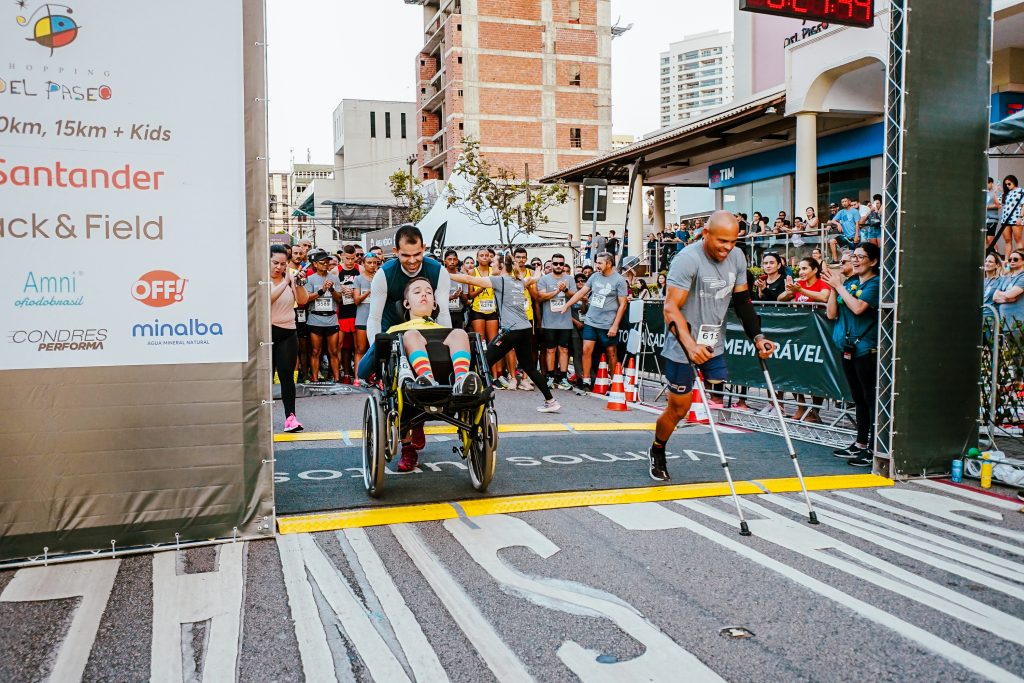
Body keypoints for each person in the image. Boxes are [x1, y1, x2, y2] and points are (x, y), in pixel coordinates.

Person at [649, 211, 776, 481]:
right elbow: (670, 308)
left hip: (712, 342)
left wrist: (758, 337)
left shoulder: (737, 257)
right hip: (683, 343)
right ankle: (658, 448)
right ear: (705, 233)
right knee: (679, 409)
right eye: (722, 241)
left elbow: (742, 301)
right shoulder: (688, 259)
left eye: (733, 241)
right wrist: (690, 345)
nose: (727, 248)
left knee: (718, 383)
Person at [384, 276, 484, 472]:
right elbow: (369, 365)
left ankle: (462, 380)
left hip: (448, 380)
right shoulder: (395, 329)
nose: (424, 295)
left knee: (461, 333)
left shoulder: (445, 330)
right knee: (411, 334)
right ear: (406, 303)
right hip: (410, 384)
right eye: (418, 291)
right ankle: (425, 382)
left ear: (435, 303)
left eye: (429, 292)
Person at [451, 254, 562, 413]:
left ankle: (471, 400)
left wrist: (445, 273)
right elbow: (535, 278)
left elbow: (470, 280)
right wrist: (538, 270)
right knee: (529, 368)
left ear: (502, 266)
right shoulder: (519, 281)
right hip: (524, 330)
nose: (491, 264)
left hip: (511, 330)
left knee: (483, 361)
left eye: (494, 262)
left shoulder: (499, 280)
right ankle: (551, 401)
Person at [822, 242, 881, 468]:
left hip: (866, 349)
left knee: (869, 399)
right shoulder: (851, 282)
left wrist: (840, 286)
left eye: (861, 257)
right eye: (853, 256)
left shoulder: (875, 284)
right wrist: (835, 287)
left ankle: (874, 448)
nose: (855, 260)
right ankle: (860, 442)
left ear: (873, 261)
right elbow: (831, 313)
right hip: (847, 347)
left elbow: (858, 308)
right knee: (857, 398)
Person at [559, 252, 628, 391]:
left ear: (609, 263)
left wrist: (615, 325)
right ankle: (586, 381)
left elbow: (623, 304)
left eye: (600, 263)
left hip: (608, 323)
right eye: (596, 262)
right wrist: (567, 305)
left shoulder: (619, 280)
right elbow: (581, 293)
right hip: (591, 321)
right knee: (586, 350)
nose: (597, 265)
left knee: (611, 352)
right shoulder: (594, 276)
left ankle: (615, 382)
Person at [779, 256, 830, 422]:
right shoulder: (799, 284)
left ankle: (815, 412)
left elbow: (824, 297)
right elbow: (780, 299)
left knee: (815, 372)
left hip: (817, 335)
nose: (801, 272)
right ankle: (801, 407)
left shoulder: (822, 283)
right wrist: (790, 290)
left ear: (815, 270)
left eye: (805, 268)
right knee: (793, 369)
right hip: (798, 334)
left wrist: (800, 291)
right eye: (799, 269)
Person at [270, 245, 310, 432]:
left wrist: (298, 283)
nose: (279, 267)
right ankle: (260, 418)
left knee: (287, 377)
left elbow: (302, 301)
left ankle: (290, 417)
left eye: (283, 264)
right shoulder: (260, 277)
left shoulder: (290, 276)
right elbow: (266, 299)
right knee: (264, 378)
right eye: (275, 263)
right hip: (265, 334)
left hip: (287, 332)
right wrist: (286, 282)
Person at [535, 253, 577, 390]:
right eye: (556, 263)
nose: (558, 266)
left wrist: (565, 290)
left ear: (564, 265)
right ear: (551, 264)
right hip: (549, 321)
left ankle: (564, 377)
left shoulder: (569, 279)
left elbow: (575, 296)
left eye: (561, 264)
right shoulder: (545, 279)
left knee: (564, 349)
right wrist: (555, 291)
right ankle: (550, 376)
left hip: (565, 321)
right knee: (550, 350)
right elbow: (540, 297)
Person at [467, 247, 505, 385]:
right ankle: (483, 374)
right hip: (477, 310)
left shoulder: (494, 272)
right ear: (477, 258)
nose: (484, 257)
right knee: (480, 342)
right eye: (481, 255)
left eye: (487, 255)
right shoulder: (472, 271)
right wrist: (482, 286)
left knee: (493, 342)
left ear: (490, 258)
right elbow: (470, 295)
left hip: (492, 310)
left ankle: (495, 376)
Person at [304, 249, 342, 383]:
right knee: (315, 351)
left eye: (327, 262)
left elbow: (339, 299)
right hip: (315, 319)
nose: (326, 264)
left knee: (333, 351)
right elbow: (307, 298)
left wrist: (331, 289)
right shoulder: (309, 279)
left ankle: (337, 379)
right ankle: (314, 379)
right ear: (314, 264)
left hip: (331, 319)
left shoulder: (334, 278)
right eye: (322, 262)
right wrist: (322, 290)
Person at [352, 250, 381, 387]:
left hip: (377, 318)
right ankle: (358, 377)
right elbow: (356, 300)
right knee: (360, 349)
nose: (372, 265)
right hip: (362, 318)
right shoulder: (358, 279)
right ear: (363, 264)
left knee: (376, 349)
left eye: (375, 263)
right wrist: (370, 290)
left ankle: (376, 377)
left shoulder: (380, 277)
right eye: (369, 263)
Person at [337, 245, 361, 383]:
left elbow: (368, 285)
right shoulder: (336, 270)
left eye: (353, 258)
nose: (351, 261)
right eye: (348, 258)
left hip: (357, 312)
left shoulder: (360, 269)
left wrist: (356, 291)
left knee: (358, 347)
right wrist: (340, 288)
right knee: (342, 347)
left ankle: (358, 376)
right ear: (342, 256)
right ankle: (343, 374)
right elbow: (330, 286)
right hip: (342, 313)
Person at [994, 249, 1024, 325]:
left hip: (1018, 323)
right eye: (1010, 259)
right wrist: (1010, 299)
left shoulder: (1022, 277)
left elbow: (1010, 295)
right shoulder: (1007, 277)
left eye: (1015, 259)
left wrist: (1002, 294)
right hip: (1004, 322)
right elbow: (994, 297)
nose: (1012, 261)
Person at [828, 197, 861, 262]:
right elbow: (833, 220)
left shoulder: (855, 211)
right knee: (832, 241)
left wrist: (857, 235)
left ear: (849, 202)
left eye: (845, 201)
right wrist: (838, 224)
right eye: (842, 202)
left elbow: (857, 224)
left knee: (855, 255)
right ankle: (835, 260)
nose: (844, 203)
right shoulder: (841, 212)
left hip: (854, 236)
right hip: (845, 236)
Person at [443, 249, 468, 330]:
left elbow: (465, 301)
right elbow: (435, 297)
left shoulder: (462, 277)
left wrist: (461, 295)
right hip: (444, 313)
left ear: (457, 261)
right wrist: (451, 297)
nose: (452, 262)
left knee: (458, 338)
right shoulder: (439, 276)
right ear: (445, 261)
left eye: (454, 259)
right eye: (449, 259)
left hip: (458, 313)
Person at [1000, 175, 1024, 257]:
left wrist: (1020, 217)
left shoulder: (1021, 191)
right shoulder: (1006, 193)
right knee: (1007, 240)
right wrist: (996, 192)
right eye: (1006, 184)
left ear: (1014, 182)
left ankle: (1019, 260)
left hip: (1016, 218)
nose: (1007, 186)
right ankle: (1006, 261)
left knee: (1018, 240)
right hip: (1005, 219)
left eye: (1009, 184)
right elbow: (999, 204)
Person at [986, 177, 1002, 249]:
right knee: (986, 240)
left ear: (991, 183)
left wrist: (987, 207)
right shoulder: (984, 192)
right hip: (984, 219)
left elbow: (999, 205)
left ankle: (996, 256)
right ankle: (989, 257)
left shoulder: (996, 192)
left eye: (987, 183)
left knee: (990, 240)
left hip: (992, 219)